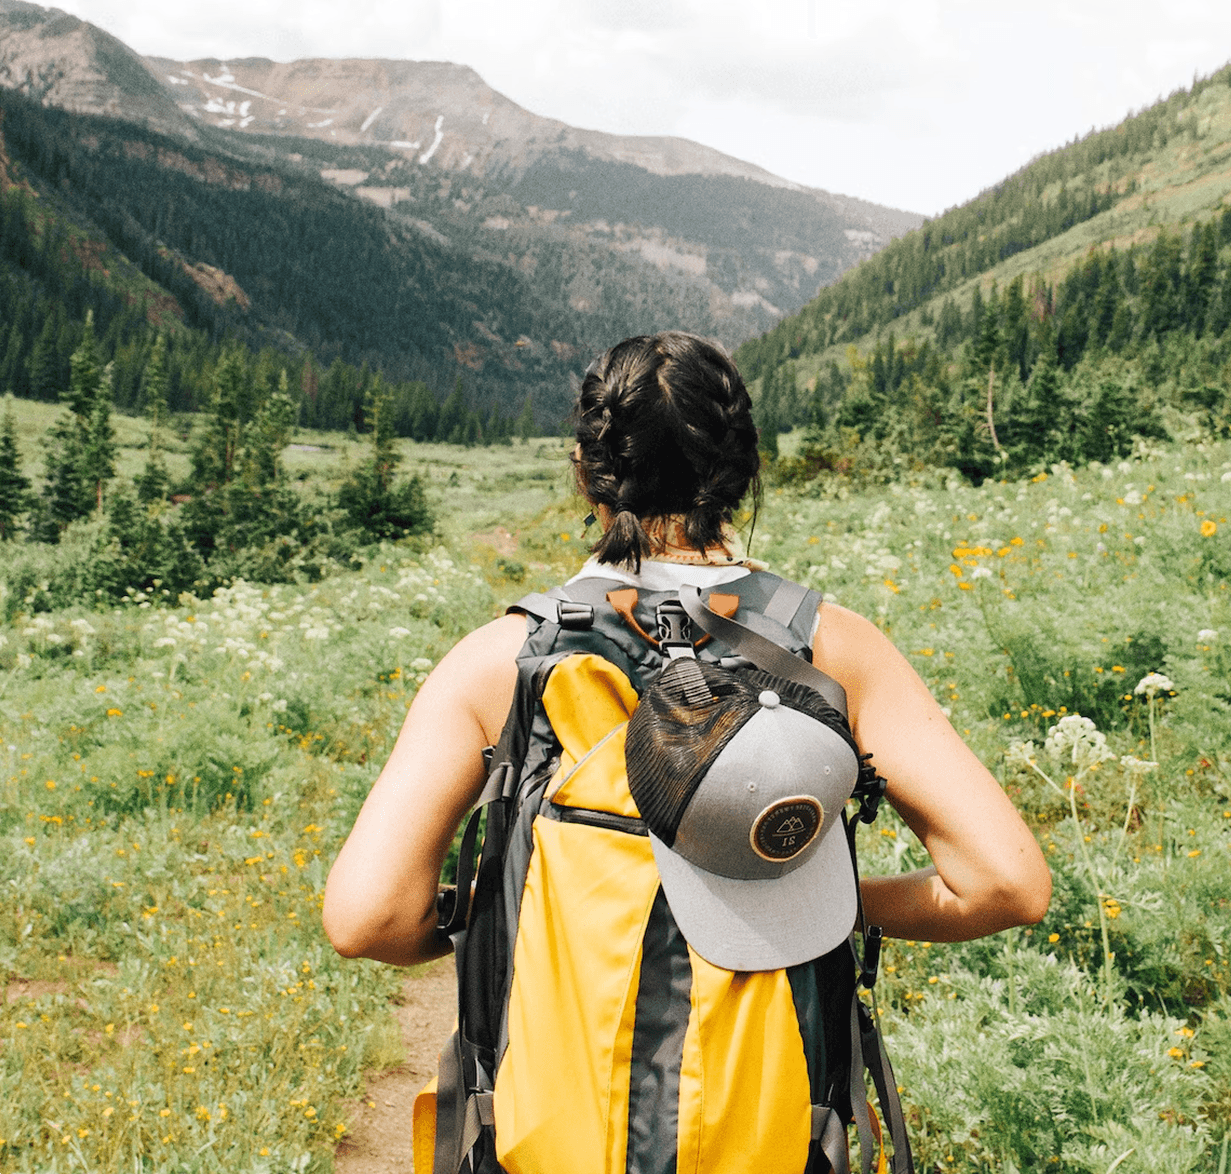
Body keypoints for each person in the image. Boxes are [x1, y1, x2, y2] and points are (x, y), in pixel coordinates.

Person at [322, 329, 1050, 971]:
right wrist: (818, 910)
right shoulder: (832, 645)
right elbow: (1004, 885)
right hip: (775, 1117)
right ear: (744, 471)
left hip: (550, 1122)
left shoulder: (500, 658)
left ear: (586, 470)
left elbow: (368, 919)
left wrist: (518, 911)